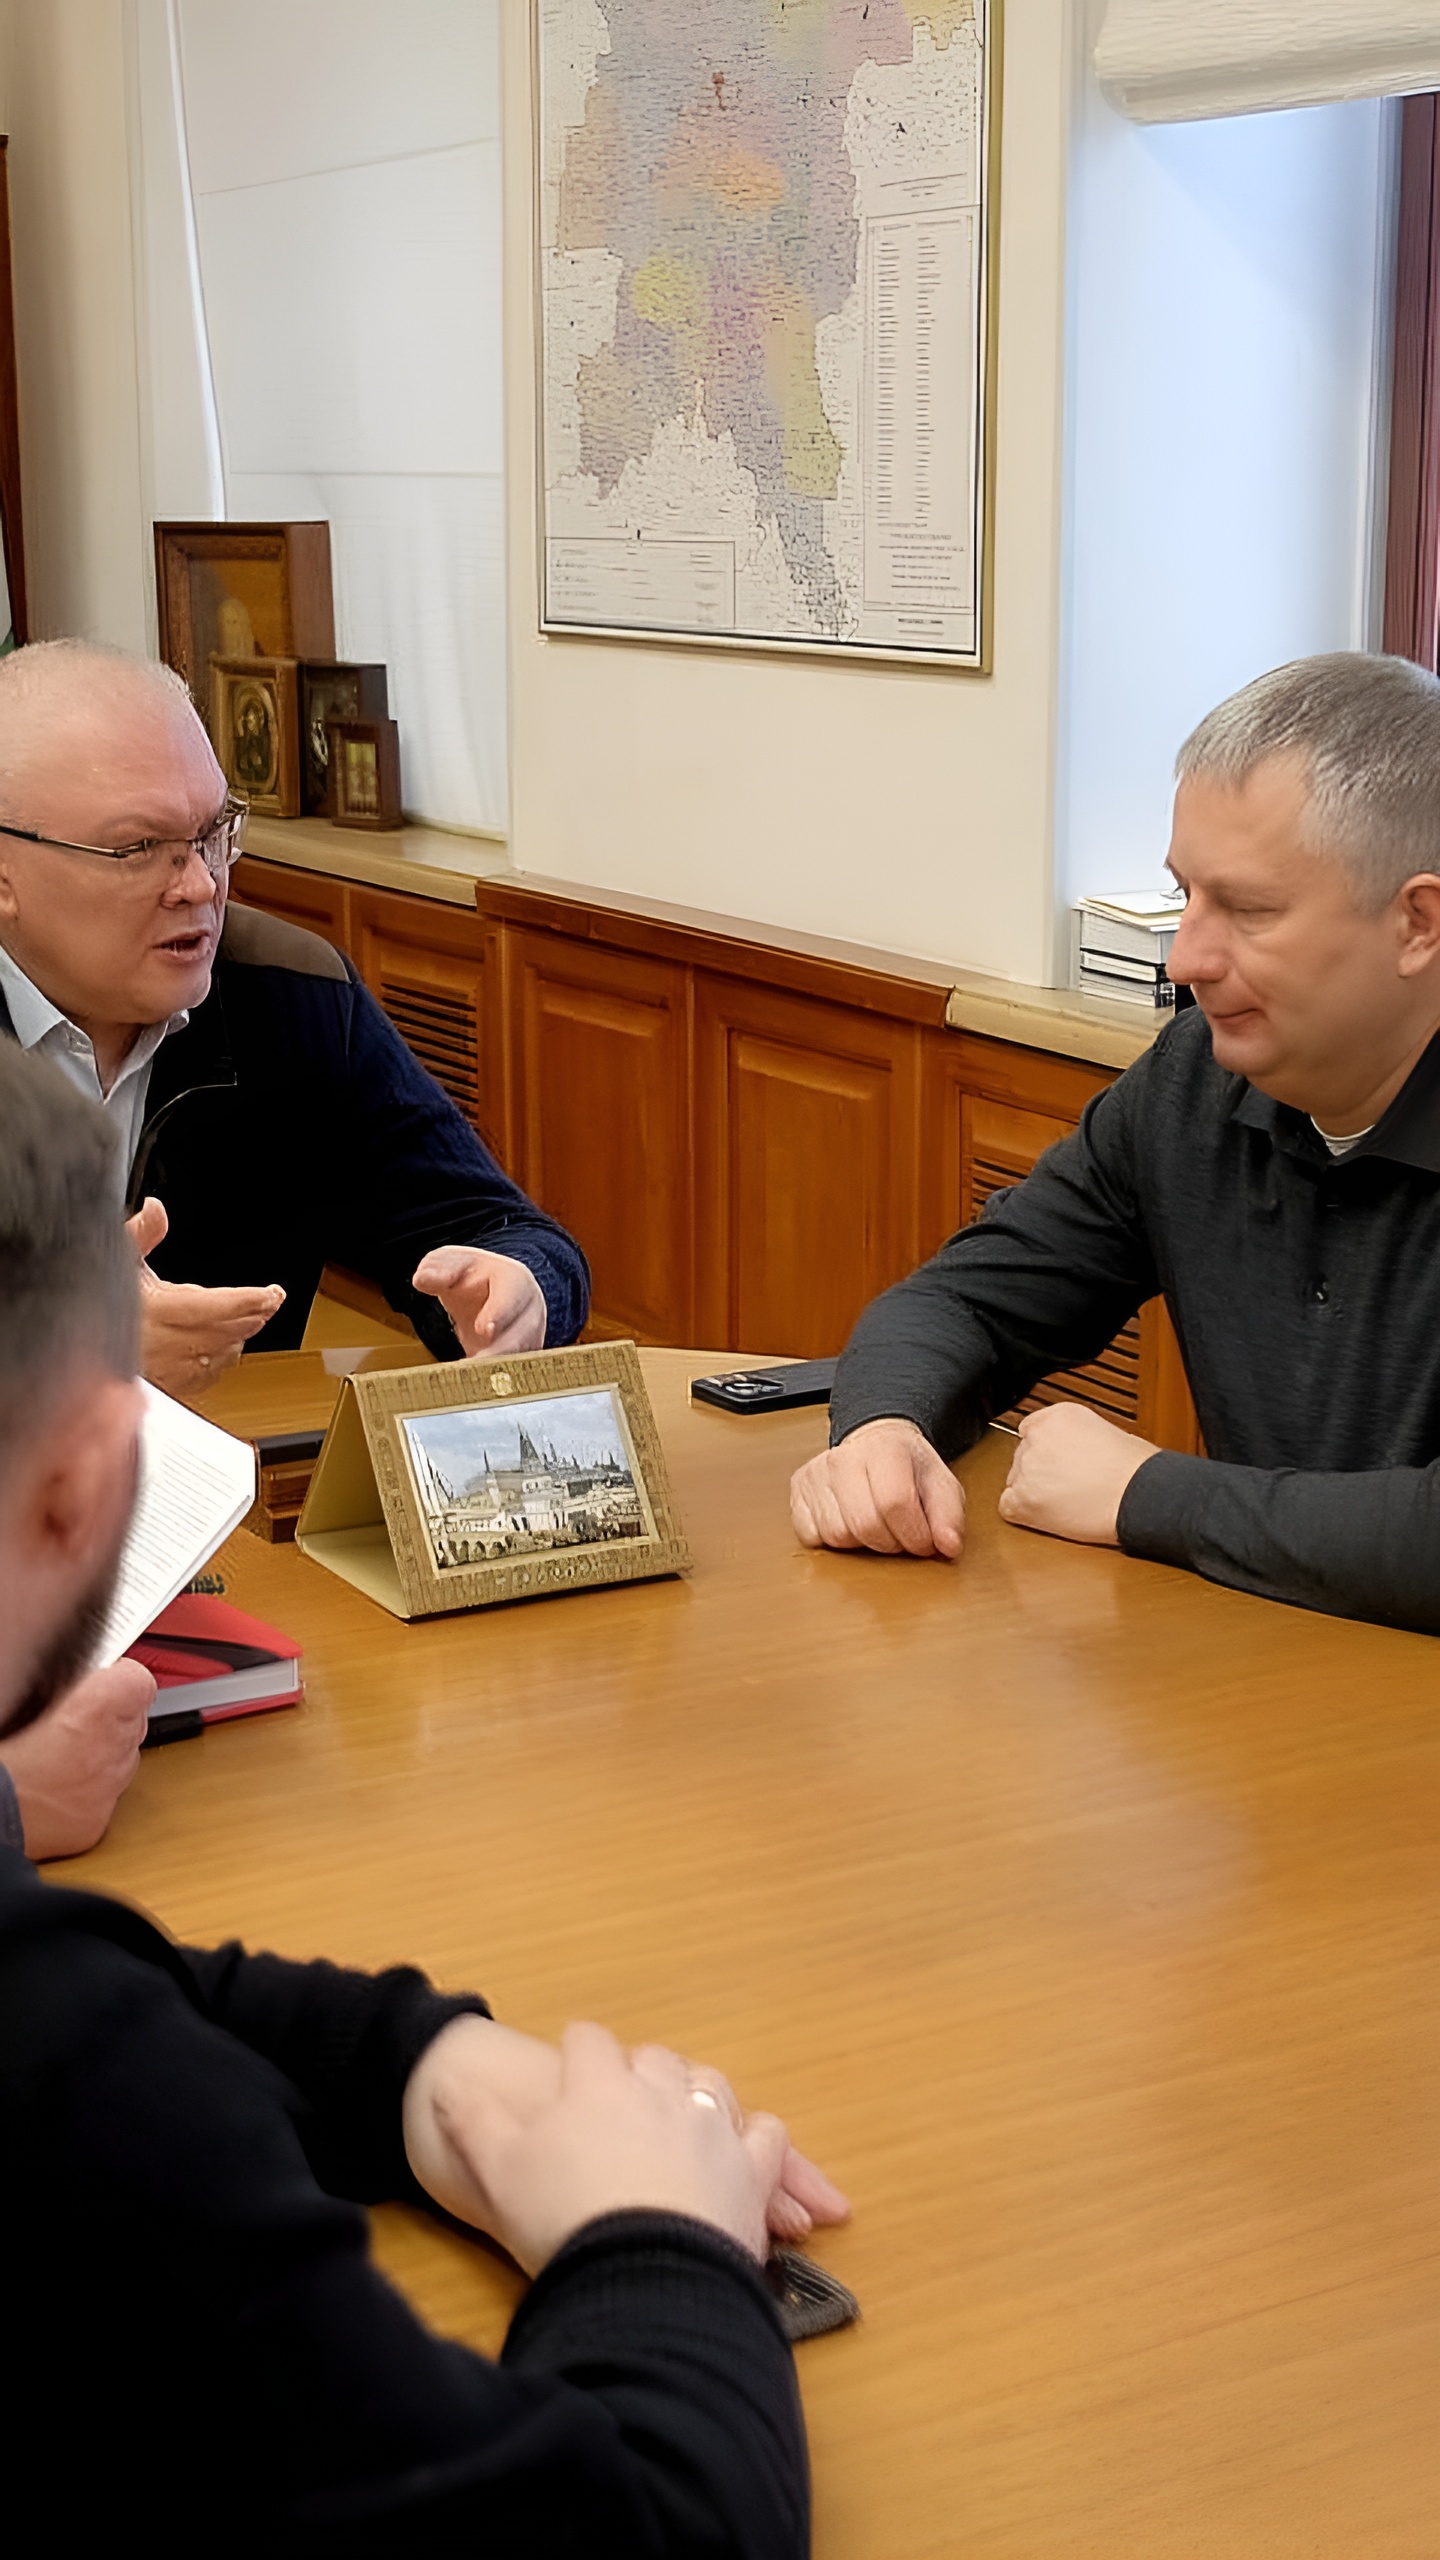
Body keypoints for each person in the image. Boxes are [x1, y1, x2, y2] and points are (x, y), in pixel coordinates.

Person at [0, 1039, 846, 2552]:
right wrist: (649, 2243)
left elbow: (129, 1985)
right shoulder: (72, 2076)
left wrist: (413, 2068)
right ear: (95, 1474)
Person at [791, 652, 1440, 1635]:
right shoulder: (1196, 1081)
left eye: (1250, 910)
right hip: (1280, 1678)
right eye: (1184, 893)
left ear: (1418, 923)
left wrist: (1144, 1493)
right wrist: (884, 1428)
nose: (1186, 958)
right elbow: (966, 1301)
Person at [0, 640, 589, 1401]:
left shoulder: (290, 995)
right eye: (139, 847)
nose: (201, 884)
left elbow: (510, 1234)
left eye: (213, 833)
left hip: (236, 1490)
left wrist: (521, 1289)